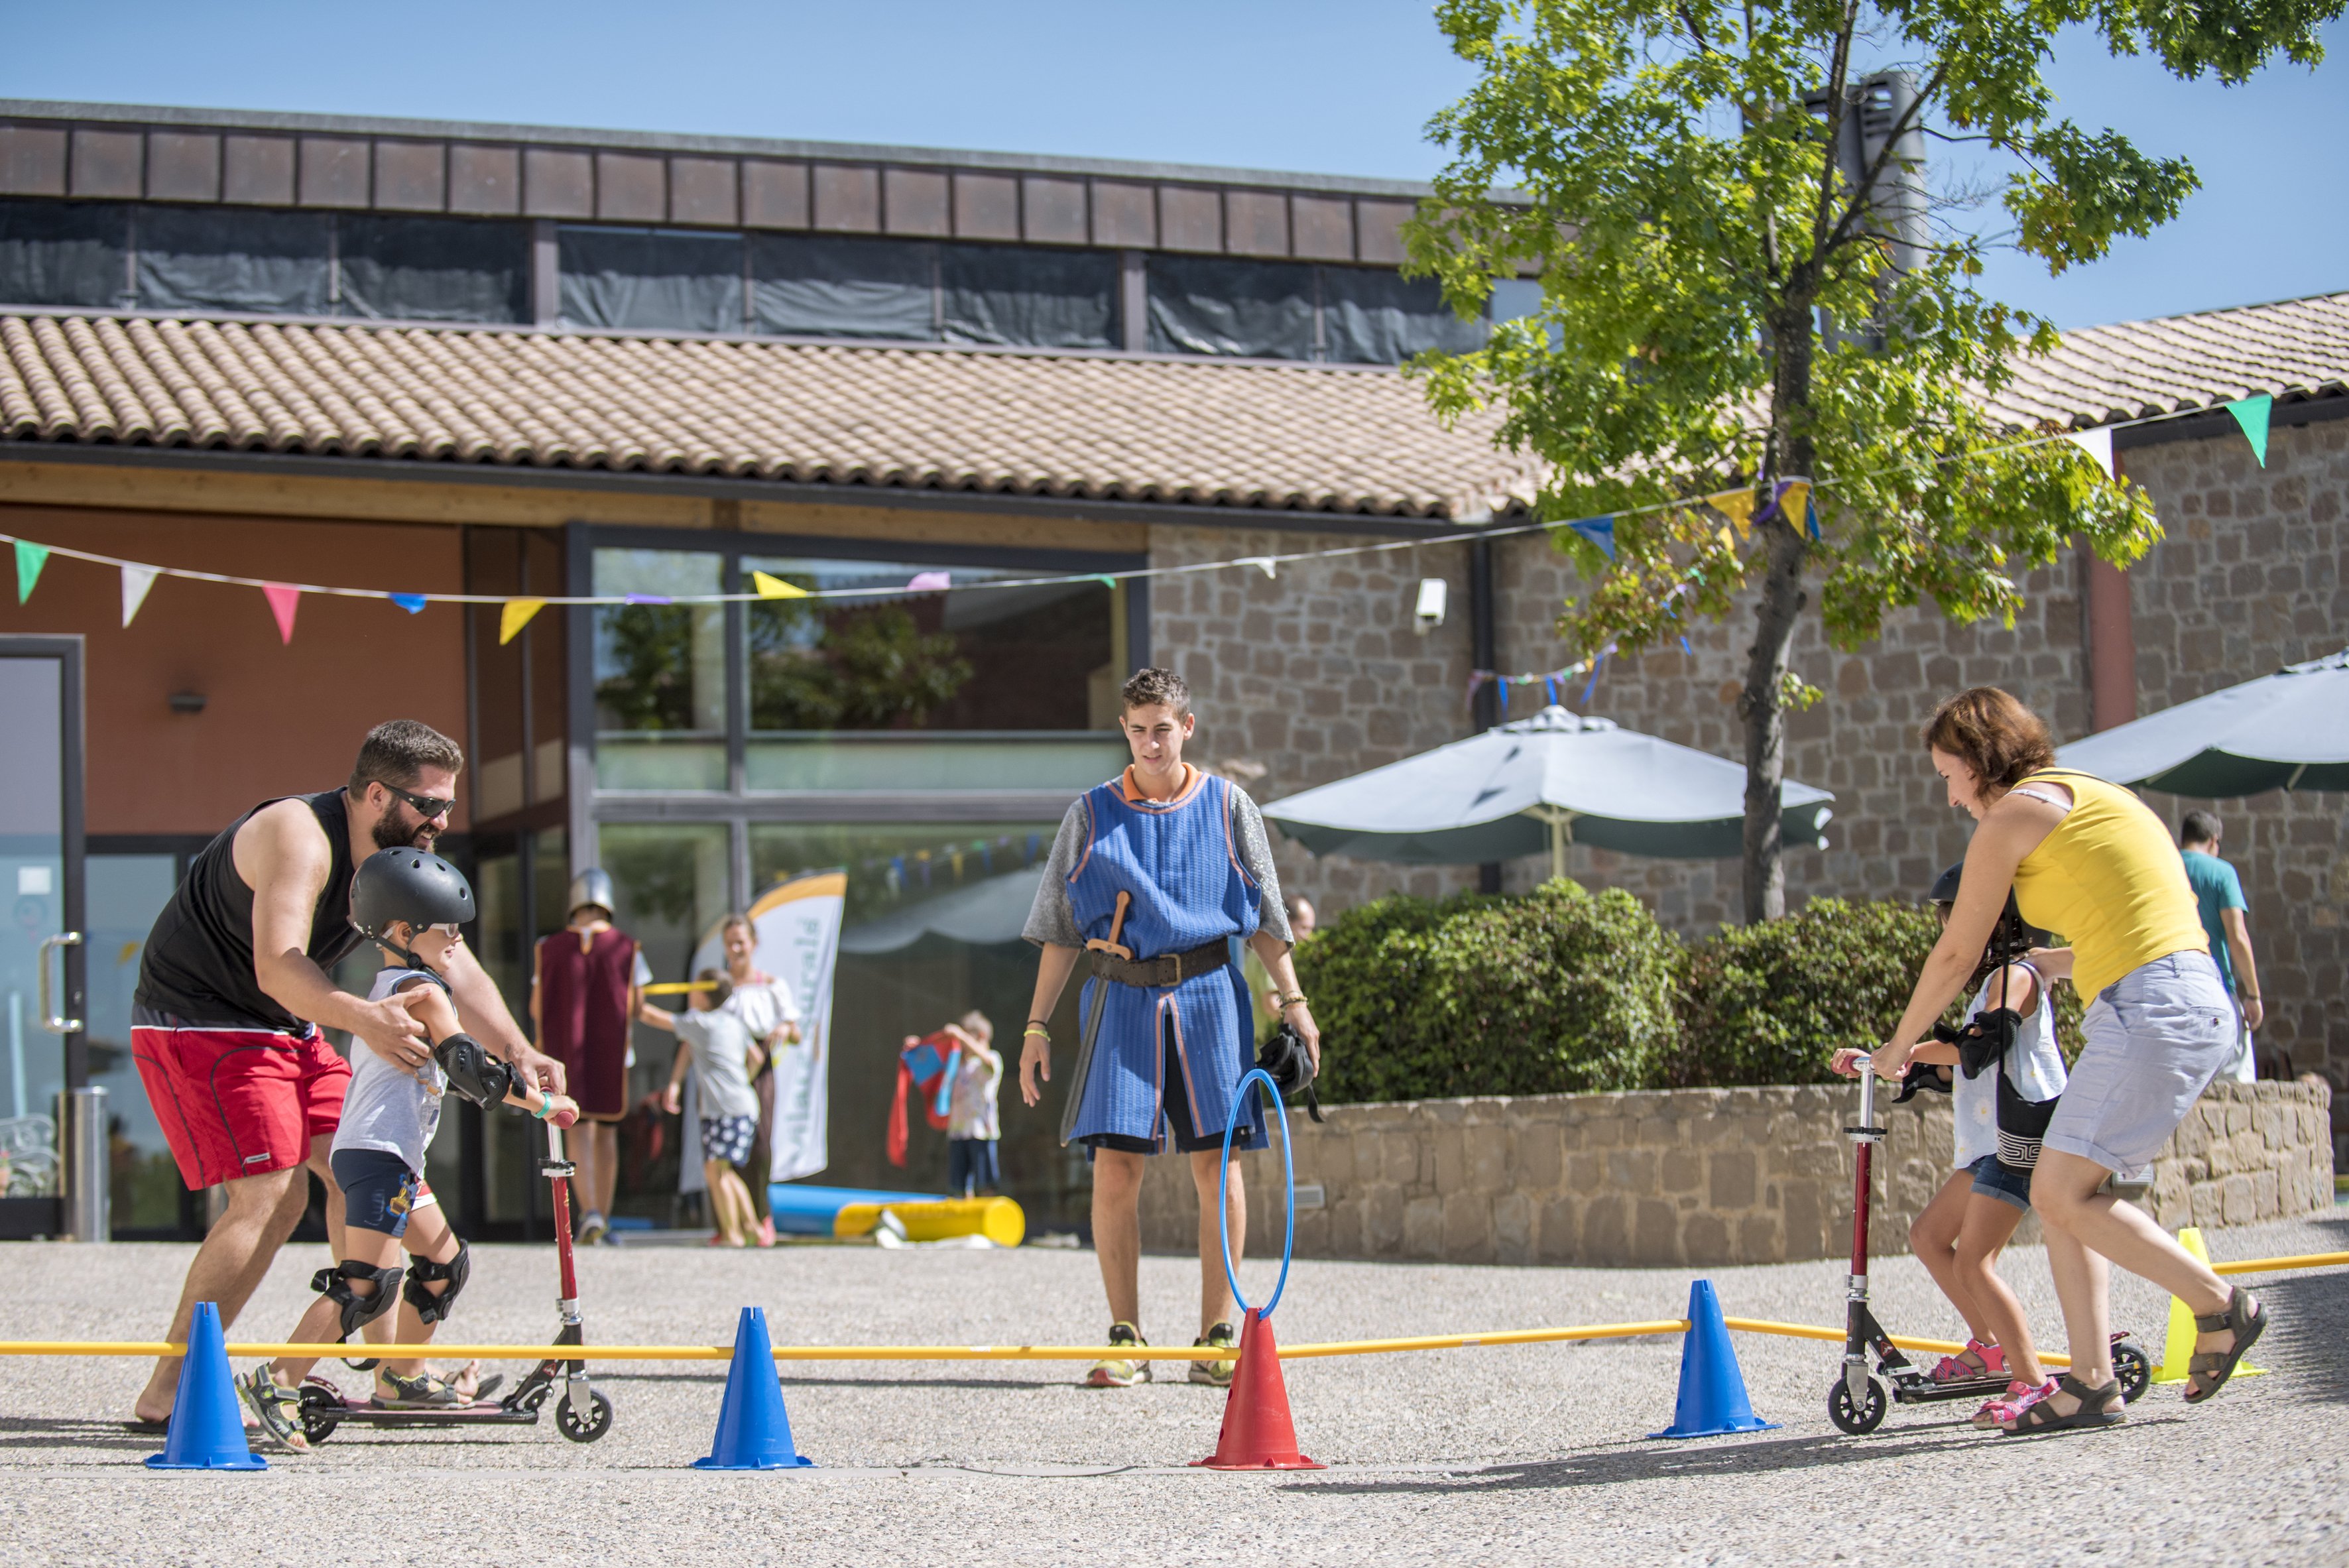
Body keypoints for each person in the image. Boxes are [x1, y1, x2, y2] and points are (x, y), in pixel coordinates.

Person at [127, 720, 564, 1427]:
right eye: (428, 804)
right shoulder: (298, 834)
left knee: (358, 1157)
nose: (442, 821)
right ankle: (168, 1392)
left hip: (289, 1019)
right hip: (201, 1017)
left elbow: (449, 955)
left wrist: (519, 1049)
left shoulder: (396, 858)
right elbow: (278, 963)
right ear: (373, 794)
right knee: (272, 1193)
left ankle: (396, 1371)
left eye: (448, 804)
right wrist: (363, 1018)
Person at [1864, 688, 2259, 1434]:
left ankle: (2219, 1304)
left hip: (2149, 1007)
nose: (1950, 797)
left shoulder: (2011, 815)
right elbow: (2139, 920)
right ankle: (2089, 1382)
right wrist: (2054, 960)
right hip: (2179, 996)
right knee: (2065, 1193)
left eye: (1949, 774)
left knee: (2061, 1191)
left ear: (1981, 762)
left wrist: (1896, 1047)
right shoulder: (2089, 793)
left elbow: (1957, 953)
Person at [1019, 667, 1319, 1389]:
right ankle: (1127, 1337)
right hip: (1119, 996)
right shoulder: (1088, 815)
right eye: (1136, 729)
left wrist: (1295, 1003)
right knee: (1116, 1167)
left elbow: (1268, 919)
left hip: (1213, 993)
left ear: (1187, 727)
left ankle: (1218, 1335)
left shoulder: (1228, 805)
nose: (1150, 742)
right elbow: (1061, 930)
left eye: (1162, 728)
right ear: (1124, 731)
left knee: (1218, 1166)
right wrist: (1035, 1025)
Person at [237, 848, 577, 1451]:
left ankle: (401, 1378)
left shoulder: (401, 983)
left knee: (444, 1267)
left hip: (390, 1156)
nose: (457, 938)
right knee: (366, 1285)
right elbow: (468, 1067)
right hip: (378, 1154)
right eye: (446, 927)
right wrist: (543, 1106)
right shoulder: (421, 991)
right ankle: (277, 1380)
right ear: (401, 932)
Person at [1833, 861, 2065, 1428]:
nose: (1948, 927)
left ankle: (2033, 1380)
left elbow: (1978, 1048)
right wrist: (1888, 1058)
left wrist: (1901, 1050)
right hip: (1988, 1145)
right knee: (1929, 1236)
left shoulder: (2017, 976)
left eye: (1956, 915)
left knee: (1975, 1262)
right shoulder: (1992, 981)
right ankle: (1988, 1345)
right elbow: (1959, 1065)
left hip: (2020, 1142)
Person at [531, 870, 649, 1246]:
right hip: (613, 1052)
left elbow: (537, 1007)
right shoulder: (627, 947)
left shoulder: (549, 948)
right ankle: (604, 1215)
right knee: (607, 1133)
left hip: (566, 1054)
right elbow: (636, 1005)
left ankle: (590, 1214)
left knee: (579, 1128)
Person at [653, 971, 763, 1247]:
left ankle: (732, 1234)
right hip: (740, 1105)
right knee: (723, 1170)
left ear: (702, 993)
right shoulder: (730, 1023)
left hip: (725, 1108)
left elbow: (652, 1017)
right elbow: (757, 1057)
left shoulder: (700, 1022)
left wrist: (630, 998)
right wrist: (742, 1080)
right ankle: (752, 1228)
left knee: (715, 1170)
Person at [715, 913, 802, 1247]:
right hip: (725, 1071)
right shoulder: (719, 988)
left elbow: (796, 1031)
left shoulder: (771, 985)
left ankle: (762, 1218)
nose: (735, 949)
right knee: (723, 1148)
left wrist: (784, 1029)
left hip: (760, 1067)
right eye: (730, 943)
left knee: (760, 1143)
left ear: (753, 944)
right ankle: (729, 1224)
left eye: (741, 942)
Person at [2178, 811, 2263, 1085]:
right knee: (2236, 1081)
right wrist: (2253, 995)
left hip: (2173, 990)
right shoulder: (2222, 872)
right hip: (2216, 990)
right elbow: (2237, 937)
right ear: (2215, 841)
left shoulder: (2166, 866)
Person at [941, 1011, 1002, 1198]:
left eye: (967, 1036)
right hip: (958, 1131)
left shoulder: (992, 1058)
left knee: (985, 1183)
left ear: (981, 1036)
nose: (961, 1041)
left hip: (981, 1131)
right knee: (958, 1185)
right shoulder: (957, 1065)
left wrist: (959, 1034)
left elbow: (989, 1064)